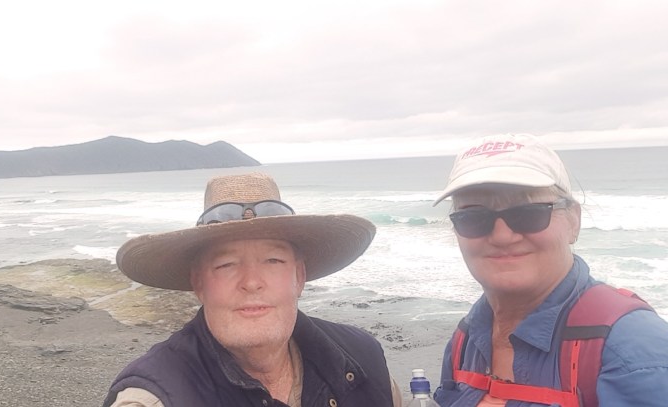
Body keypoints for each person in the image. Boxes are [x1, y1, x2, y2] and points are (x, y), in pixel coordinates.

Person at [103, 172, 402, 407]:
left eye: (273, 260)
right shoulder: (153, 398)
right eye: (226, 264)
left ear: (299, 276)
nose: (251, 281)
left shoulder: (364, 360)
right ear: (199, 283)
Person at [431, 134, 668, 406]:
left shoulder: (634, 352)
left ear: (573, 221)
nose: (502, 236)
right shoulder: (465, 341)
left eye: (529, 213)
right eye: (473, 217)